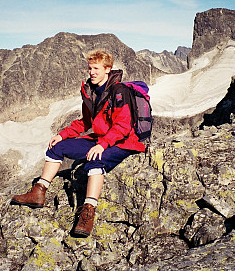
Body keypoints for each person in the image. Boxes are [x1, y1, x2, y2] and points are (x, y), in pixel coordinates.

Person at [11, 49, 145, 237]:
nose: (92, 72)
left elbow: (123, 126)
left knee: (95, 162)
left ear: (108, 69)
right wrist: (63, 134)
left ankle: (88, 213)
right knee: (57, 147)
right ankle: (38, 192)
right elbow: (85, 122)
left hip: (123, 142)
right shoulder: (91, 91)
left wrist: (102, 145)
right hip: (101, 139)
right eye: (90, 68)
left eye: (96, 68)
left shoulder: (119, 91)